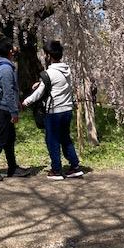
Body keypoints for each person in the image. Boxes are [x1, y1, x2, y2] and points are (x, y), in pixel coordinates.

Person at [22, 40, 83, 180]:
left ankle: (56, 170)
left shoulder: (48, 73)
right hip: (67, 109)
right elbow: (57, 84)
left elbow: (39, 93)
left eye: (45, 54)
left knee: (52, 140)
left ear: (48, 55)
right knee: (65, 138)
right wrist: (41, 83)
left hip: (54, 111)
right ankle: (75, 166)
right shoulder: (67, 70)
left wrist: (25, 102)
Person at [0, 38, 31, 181]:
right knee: (1, 139)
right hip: (3, 109)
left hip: (3, 107)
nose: (15, 50)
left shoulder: (1, 65)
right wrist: (14, 112)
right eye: (13, 48)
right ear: (10, 51)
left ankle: (13, 167)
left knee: (9, 139)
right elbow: (9, 92)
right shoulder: (5, 69)